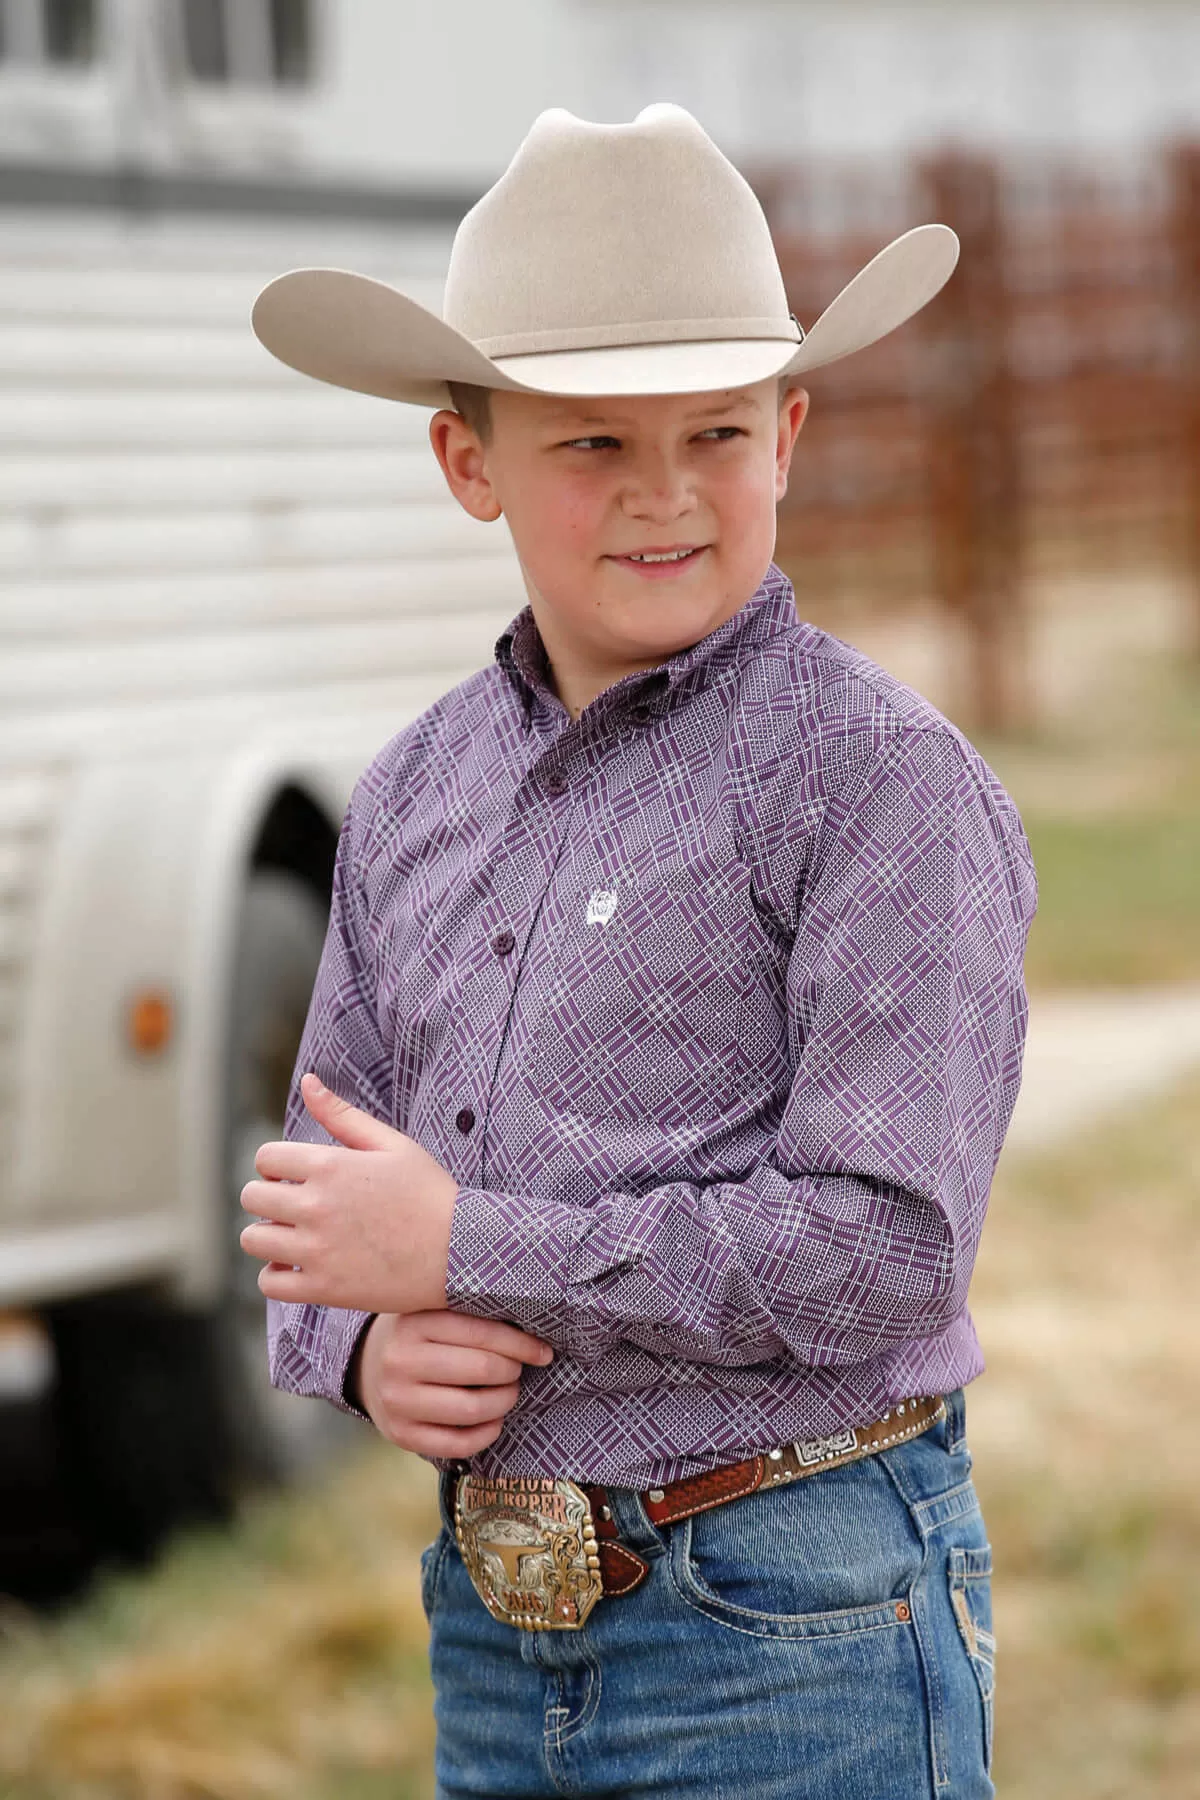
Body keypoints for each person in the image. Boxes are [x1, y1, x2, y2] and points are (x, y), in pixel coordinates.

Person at [240, 103, 1036, 1799]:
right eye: (591, 444)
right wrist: (363, 1348)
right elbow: (325, 1189)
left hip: (794, 1612)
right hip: (495, 1623)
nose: (667, 495)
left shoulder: (875, 786)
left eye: (717, 434)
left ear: (791, 433)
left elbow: (889, 1250)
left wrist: (472, 1248)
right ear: (472, 465)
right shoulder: (413, 798)